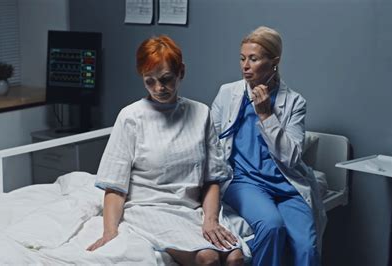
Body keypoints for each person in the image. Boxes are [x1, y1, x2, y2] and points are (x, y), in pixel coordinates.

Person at [86, 35, 245, 266]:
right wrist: (110, 232)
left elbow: (212, 179)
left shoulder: (201, 113)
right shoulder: (131, 117)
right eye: (149, 81)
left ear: (181, 72)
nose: (158, 88)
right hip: (148, 208)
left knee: (235, 257)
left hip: (191, 209)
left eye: (166, 79)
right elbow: (115, 185)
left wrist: (210, 221)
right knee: (207, 258)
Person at [211, 26, 327, 266]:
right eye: (243, 58)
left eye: (253, 59)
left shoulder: (294, 102)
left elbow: (292, 158)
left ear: (274, 62)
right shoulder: (228, 93)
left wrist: (266, 116)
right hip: (245, 180)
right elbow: (211, 141)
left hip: (286, 184)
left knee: (307, 248)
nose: (245, 66)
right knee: (272, 227)